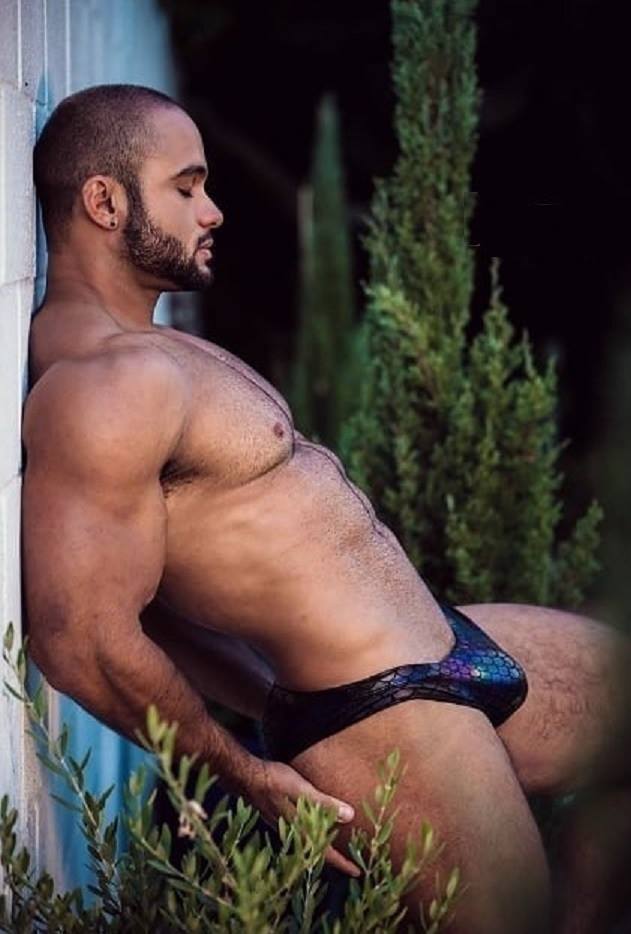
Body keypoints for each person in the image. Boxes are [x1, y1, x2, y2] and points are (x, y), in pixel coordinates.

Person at [23, 84, 631, 933]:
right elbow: (81, 638)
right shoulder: (103, 388)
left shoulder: (157, 351)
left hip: (440, 644)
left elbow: (153, 605)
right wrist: (249, 771)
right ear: (104, 201)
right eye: (186, 186)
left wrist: (265, 698)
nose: (212, 210)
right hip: (377, 716)